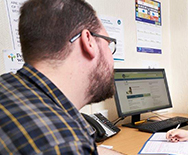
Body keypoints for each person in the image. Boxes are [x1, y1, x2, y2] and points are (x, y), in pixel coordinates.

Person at [0, 0, 123, 154]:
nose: (112, 60)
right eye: (108, 43)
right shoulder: (65, 144)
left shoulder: (6, 85)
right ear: (88, 41)